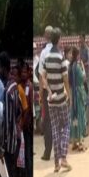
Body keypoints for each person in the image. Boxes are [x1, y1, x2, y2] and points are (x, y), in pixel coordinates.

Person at [41, 27, 72, 173]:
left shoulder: (46, 58)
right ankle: (64, 157)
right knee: (65, 125)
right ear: (58, 40)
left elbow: (43, 78)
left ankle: (56, 164)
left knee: (55, 129)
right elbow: (65, 80)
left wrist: (48, 90)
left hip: (51, 100)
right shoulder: (61, 59)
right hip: (61, 99)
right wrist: (69, 96)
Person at [0, 51, 20, 177]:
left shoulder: (6, 91)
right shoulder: (15, 86)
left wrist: (2, 148)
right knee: (10, 175)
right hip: (15, 140)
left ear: (3, 68)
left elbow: (6, 122)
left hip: (8, 144)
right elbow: (17, 113)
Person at [39, 25, 53, 161]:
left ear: (45, 36)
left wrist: (40, 94)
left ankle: (47, 151)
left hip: (46, 90)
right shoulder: (57, 52)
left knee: (47, 120)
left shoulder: (43, 53)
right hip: (57, 90)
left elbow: (41, 76)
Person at [69, 46, 87, 152]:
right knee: (80, 116)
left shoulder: (71, 66)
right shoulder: (77, 66)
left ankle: (74, 141)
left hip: (73, 94)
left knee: (74, 117)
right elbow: (83, 78)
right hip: (78, 94)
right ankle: (80, 142)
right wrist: (83, 68)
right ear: (77, 55)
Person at [20, 62, 33, 177]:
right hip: (21, 125)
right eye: (21, 72)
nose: (23, 74)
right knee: (23, 153)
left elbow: (28, 109)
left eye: (25, 72)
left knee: (28, 154)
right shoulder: (20, 86)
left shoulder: (29, 86)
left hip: (27, 126)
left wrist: (23, 124)